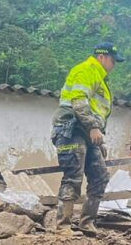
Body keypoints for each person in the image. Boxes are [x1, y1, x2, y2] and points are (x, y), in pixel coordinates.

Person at [51, 41, 124, 234]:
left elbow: (94, 109)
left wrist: (99, 139)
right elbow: (79, 101)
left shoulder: (99, 77)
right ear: (102, 57)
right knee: (73, 177)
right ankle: (63, 226)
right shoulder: (87, 70)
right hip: (71, 129)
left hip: (87, 133)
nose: (114, 66)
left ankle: (87, 223)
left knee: (100, 176)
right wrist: (93, 127)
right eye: (113, 61)